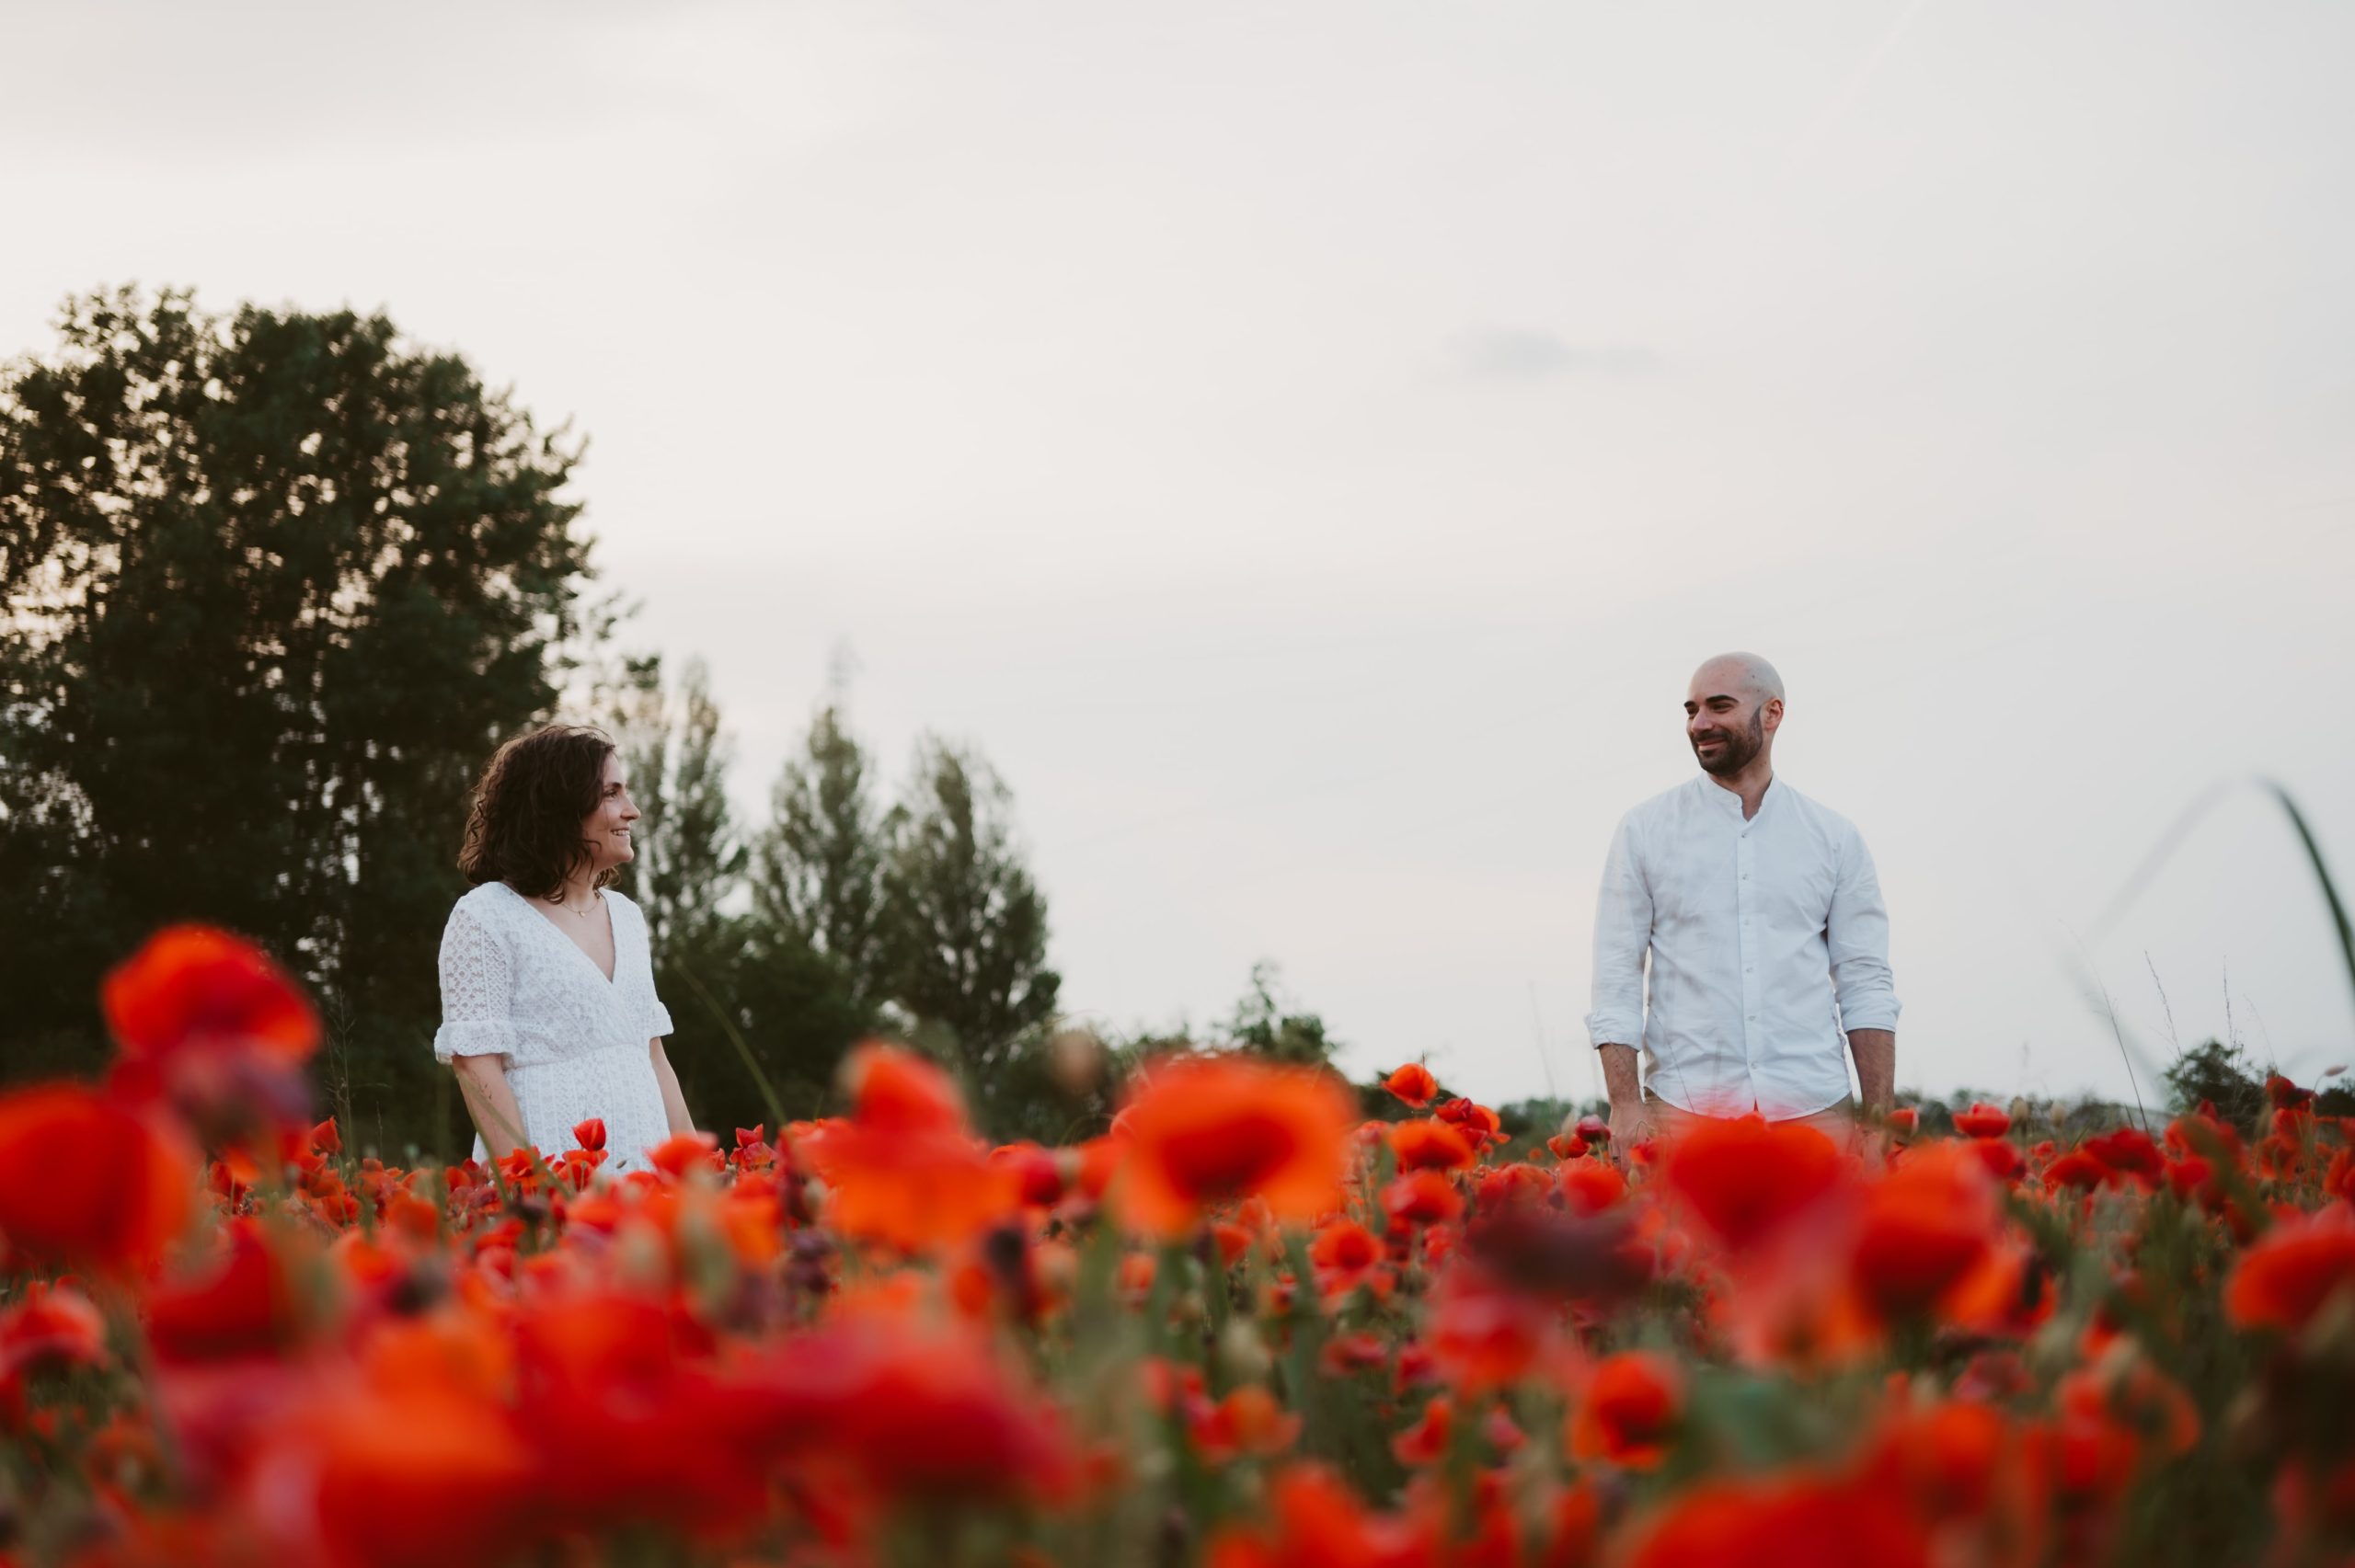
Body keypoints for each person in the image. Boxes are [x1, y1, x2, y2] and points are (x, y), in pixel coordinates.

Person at [1584, 653, 1898, 1152]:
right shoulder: (1644, 830)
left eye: (1719, 706)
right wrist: (1624, 1105)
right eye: (1691, 710)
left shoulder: (1834, 838)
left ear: (1772, 713)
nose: (1700, 724)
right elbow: (1617, 975)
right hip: (1684, 1112)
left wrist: (1878, 1120)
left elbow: (1865, 980)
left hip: (1815, 1111)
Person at [434, 724, 696, 1171]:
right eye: (611, 794)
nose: (631, 811)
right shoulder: (486, 915)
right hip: (551, 1173)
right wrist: (527, 1184)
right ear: (559, 808)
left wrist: (699, 1172)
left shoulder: (627, 917)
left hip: (646, 1175)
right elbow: (476, 1067)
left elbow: (653, 1057)